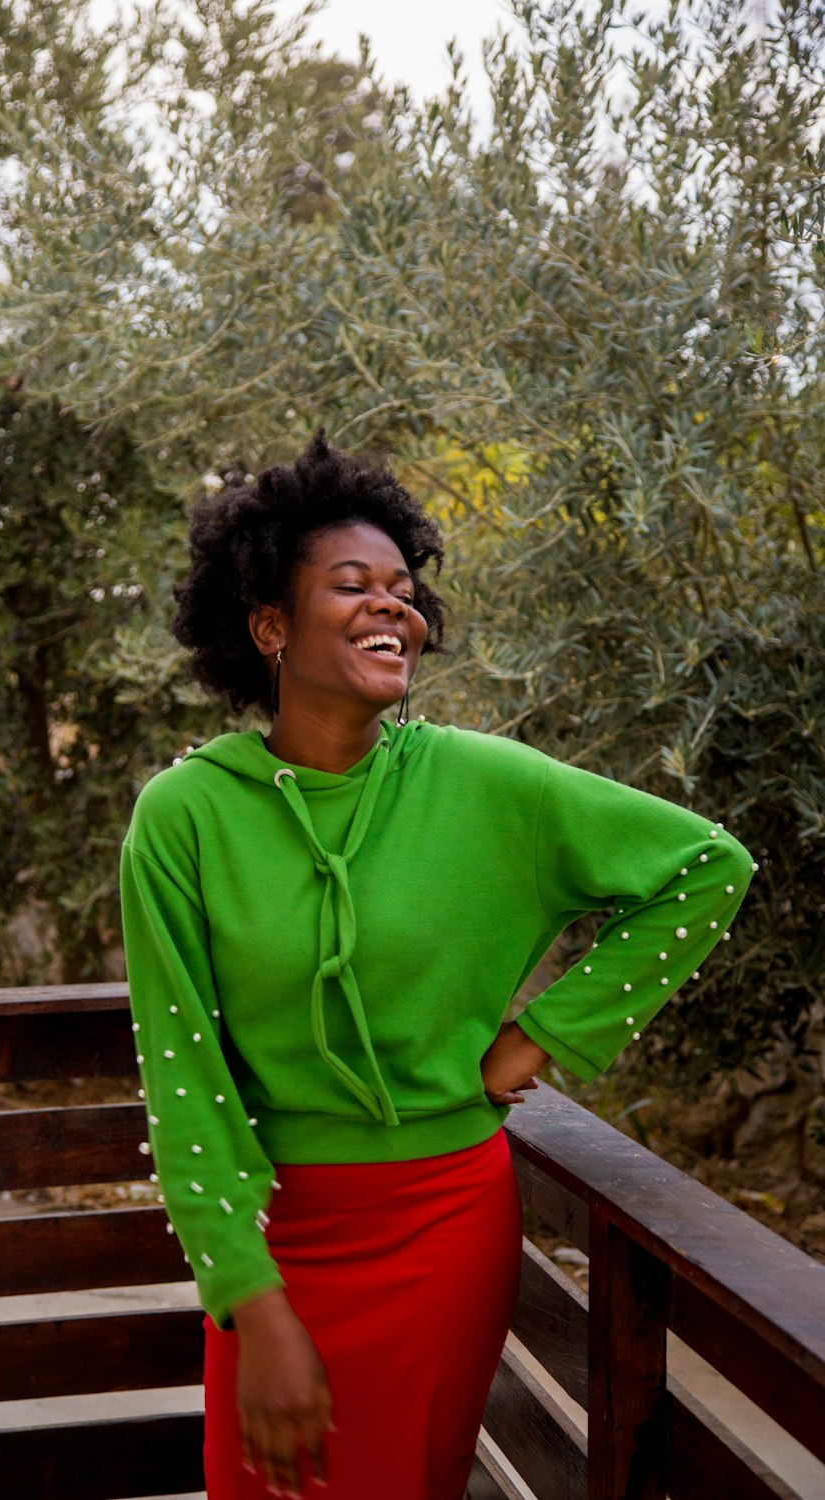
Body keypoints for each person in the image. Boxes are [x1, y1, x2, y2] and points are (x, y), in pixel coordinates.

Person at [120, 427, 754, 1500]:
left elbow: (706, 868)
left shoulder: (484, 783)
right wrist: (248, 1296)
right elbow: (186, 1083)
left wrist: (542, 1038)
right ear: (269, 625)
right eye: (352, 584)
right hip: (278, 1235)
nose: (392, 607)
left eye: (405, 591)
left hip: (444, 1227)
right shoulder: (183, 816)